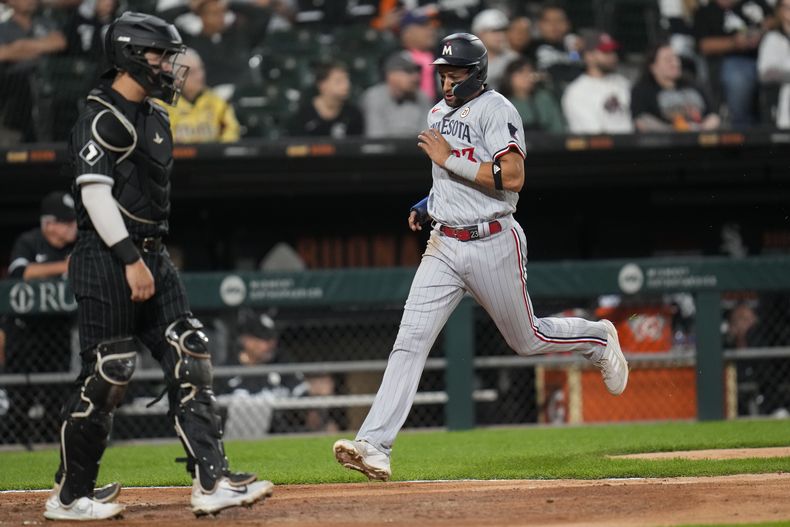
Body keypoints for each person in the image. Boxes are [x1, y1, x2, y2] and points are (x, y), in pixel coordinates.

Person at [332, 33, 628, 482]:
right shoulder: (436, 112)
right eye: (443, 73)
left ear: (477, 73)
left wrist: (449, 161)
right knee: (409, 340)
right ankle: (374, 445)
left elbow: (513, 177)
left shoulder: (498, 110)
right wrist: (427, 203)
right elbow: (446, 179)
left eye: (456, 74)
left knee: (527, 339)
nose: (447, 81)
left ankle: (598, 339)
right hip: (444, 243)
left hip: (493, 239)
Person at [43, 12, 272, 521]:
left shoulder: (154, 114)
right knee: (109, 372)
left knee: (190, 352)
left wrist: (146, 258)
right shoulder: (101, 116)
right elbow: (95, 194)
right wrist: (129, 259)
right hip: (107, 257)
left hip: (151, 252)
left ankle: (211, 480)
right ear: (129, 55)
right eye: (159, 56)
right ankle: (70, 496)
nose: (170, 65)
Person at [4, 191, 77, 445]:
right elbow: (20, 273)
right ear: (49, 223)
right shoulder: (30, 241)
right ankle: (13, 448)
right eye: (66, 223)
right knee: (19, 398)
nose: (73, 228)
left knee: (56, 398)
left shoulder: (76, 248)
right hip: (25, 333)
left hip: (56, 332)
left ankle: (51, 448)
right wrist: (64, 267)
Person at [220, 309, 337, 436]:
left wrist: (317, 398)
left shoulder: (281, 362)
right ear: (246, 340)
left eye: (273, 338)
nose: (271, 344)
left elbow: (303, 397)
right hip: (234, 435)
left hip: (279, 434)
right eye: (264, 339)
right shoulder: (227, 370)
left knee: (329, 427)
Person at [694, 0, 774, 127]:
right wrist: (734, 43)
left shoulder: (754, 3)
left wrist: (762, 30)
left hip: (768, 55)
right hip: (732, 60)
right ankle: (742, 129)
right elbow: (704, 45)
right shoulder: (706, 11)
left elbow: (776, 17)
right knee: (738, 78)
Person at [0, 0, 66, 144]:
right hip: (17, 86)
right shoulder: (4, 27)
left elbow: (59, 42)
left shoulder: (45, 22)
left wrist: (22, 46)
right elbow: (3, 54)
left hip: (51, 80)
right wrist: (42, 46)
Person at [631, 42, 721, 132]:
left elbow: (714, 115)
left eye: (676, 58)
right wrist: (675, 131)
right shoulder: (642, 90)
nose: (675, 63)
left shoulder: (693, 84)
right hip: (663, 143)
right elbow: (641, 121)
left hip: (700, 140)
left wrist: (700, 129)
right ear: (653, 67)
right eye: (668, 60)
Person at [562, 30, 633, 134]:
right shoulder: (577, 92)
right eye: (606, 52)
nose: (612, 56)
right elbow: (593, 136)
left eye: (613, 51)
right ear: (589, 56)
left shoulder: (623, 82)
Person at [165, 48, 240, 142]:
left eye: (201, 68)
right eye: (192, 72)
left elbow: (231, 134)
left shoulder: (218, 103)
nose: (200, 76)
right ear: (176, 78)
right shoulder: (162, 106)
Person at [361, 50, 432, 138]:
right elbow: (376, 139)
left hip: (417, 150)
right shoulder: (374, 96)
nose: (416, 77)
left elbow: (428, 137)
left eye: (417, 71)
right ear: (390, 75)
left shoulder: (423, 97)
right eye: (408, 72)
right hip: (385, 150)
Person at [286, 61, 363, 138]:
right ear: (322, 85)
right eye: (339, 81)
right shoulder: (303, 114)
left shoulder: (353, 114)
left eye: (347, 80)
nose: (346, 85)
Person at [525, 2, 584, 96]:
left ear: (568, 24)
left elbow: (578, 66)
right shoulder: (529, 49)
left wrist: (577, 52)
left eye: (559, 20)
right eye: (548, 21)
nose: (554, 25)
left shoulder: (576, 46)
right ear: (539, 24)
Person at [499, 57, 565, 134]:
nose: (526, 77)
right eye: (520, 72)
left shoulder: (544, 99)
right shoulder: (501, 104)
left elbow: (558, 129)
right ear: (509, 77)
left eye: (530, 72)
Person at [757, 0, 790, 128]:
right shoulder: (773, 38)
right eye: (787, 8)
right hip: (780, 99)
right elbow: (765, 73)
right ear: (780, 11)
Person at [470, 8, 518, 90]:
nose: (501, 36)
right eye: (495, 31)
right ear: (480, 33)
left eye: (503, 31)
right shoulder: (465, 59)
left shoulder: (514, 59)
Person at [398, 10, 439, 101]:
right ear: (406, 33)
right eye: (423, 26)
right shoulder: (397, 60)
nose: (431, 29)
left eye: (430, 25)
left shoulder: (443, 56)